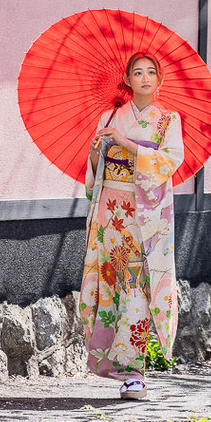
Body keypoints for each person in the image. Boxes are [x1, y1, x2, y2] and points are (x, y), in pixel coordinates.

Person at [78, 52, 185, 400]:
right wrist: (96, 154)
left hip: (143, 217)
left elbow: (168, 162)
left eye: (151, 72)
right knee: (112, 286)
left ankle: (133, 371)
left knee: (137, 288)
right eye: (137, 72)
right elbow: (94, 177)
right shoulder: (110, 116)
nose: (144, 78)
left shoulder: (168, 120)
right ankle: (112, 363)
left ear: (159, 80)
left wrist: (126, 144)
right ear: (127, 79)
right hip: (111, 212)